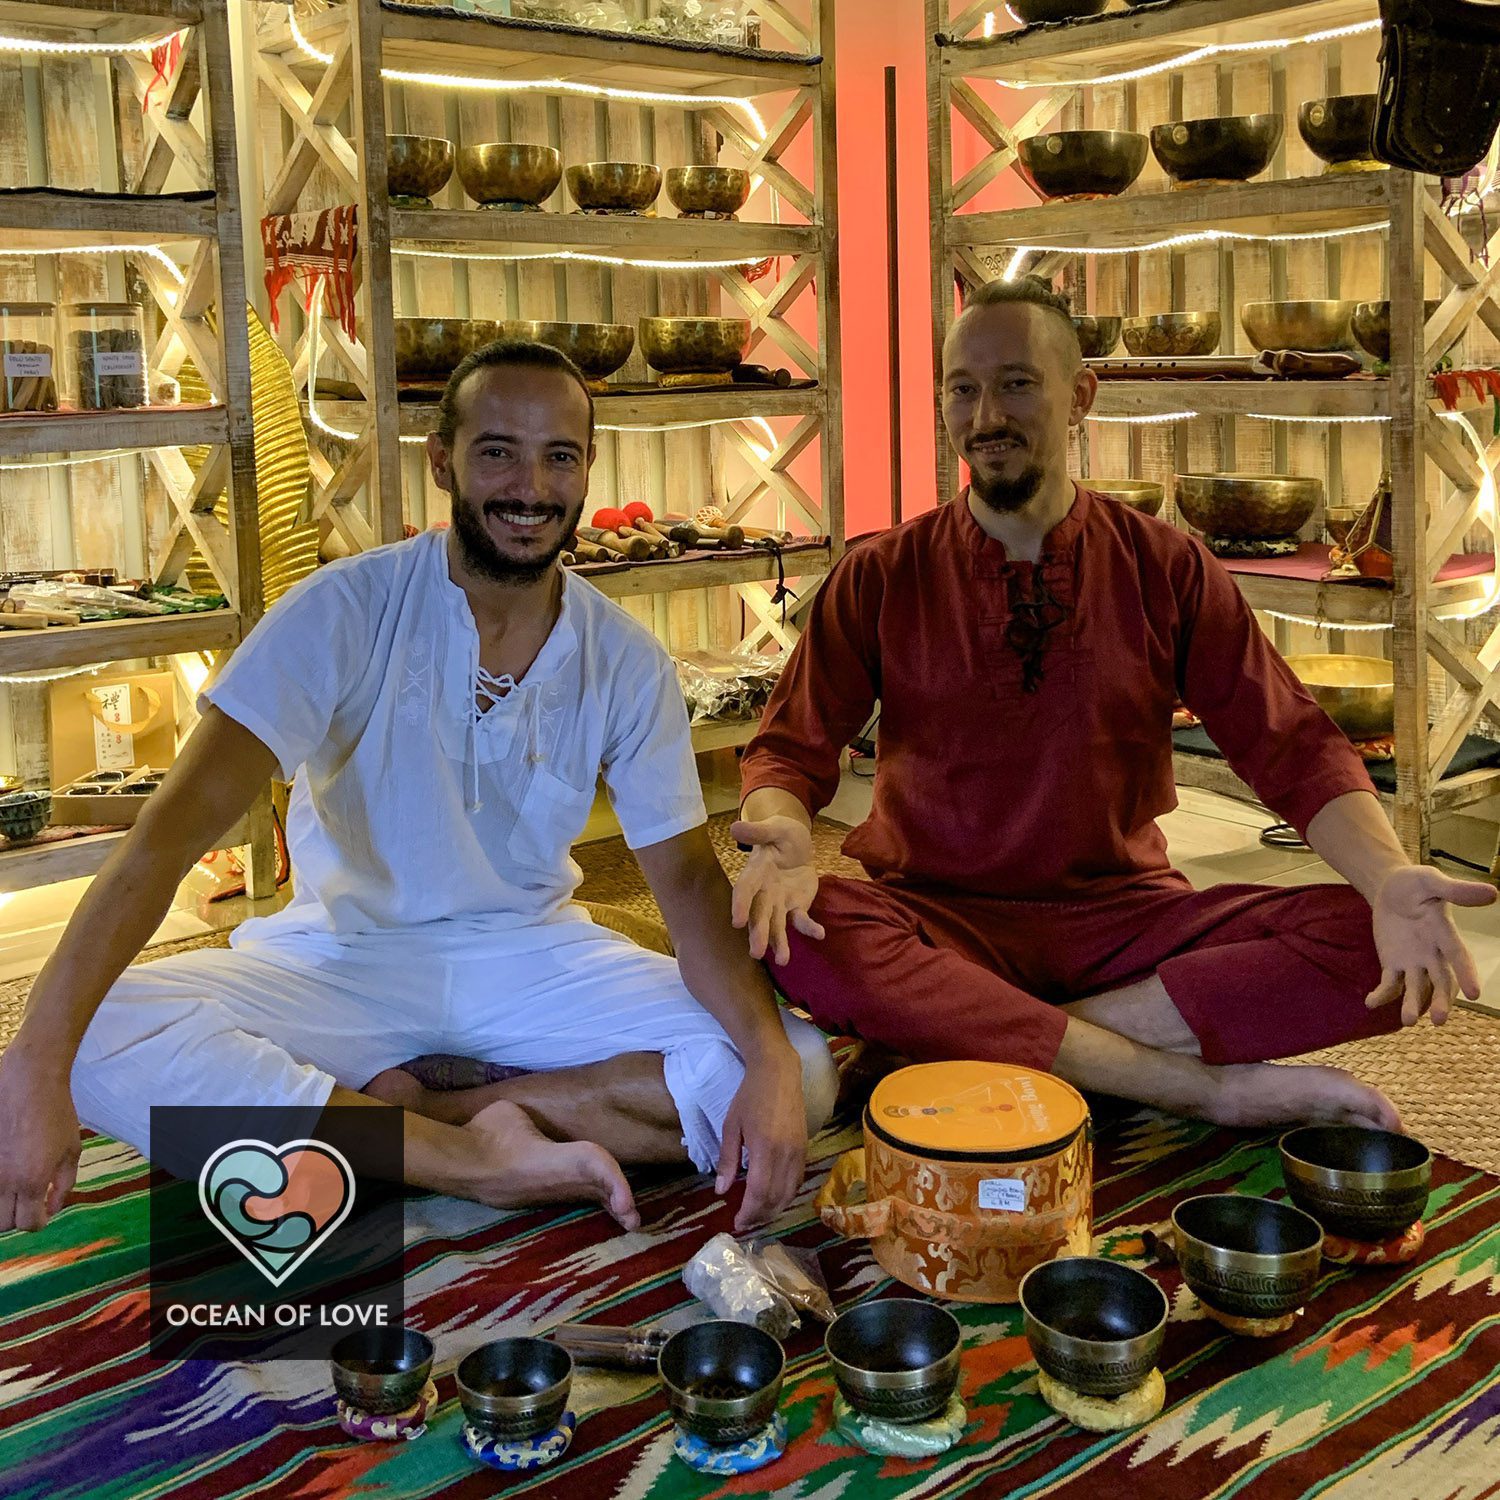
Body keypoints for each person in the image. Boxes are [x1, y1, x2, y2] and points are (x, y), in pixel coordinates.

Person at [0, 339, 837, 1237]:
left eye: (559, 456)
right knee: (88, 1034)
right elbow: (164, 843)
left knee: (800, 1066)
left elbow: (689, 889)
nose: (530, 487)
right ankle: (469, 1160)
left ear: (588, 466)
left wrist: (767, 1064)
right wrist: (36, 1064)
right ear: (442, 460)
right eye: (498, 452)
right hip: (342, 958)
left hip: (530, 957)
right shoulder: (342, 611)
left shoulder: (623, 659)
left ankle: (426, 1113)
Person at [730, 275, 1494, 1132]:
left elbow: (1290, 744)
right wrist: (781, 837)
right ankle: (1188, 1086)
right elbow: (788, 750)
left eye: (1018, 383)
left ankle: (979, 1042)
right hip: (939, 922)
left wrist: (1388, 878)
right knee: (804, 926)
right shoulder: (882, 572)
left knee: (1374, 933)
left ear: (1080, 396)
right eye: (962, 389)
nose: (987, 415)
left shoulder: (1165, 564)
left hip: (1126, 924)